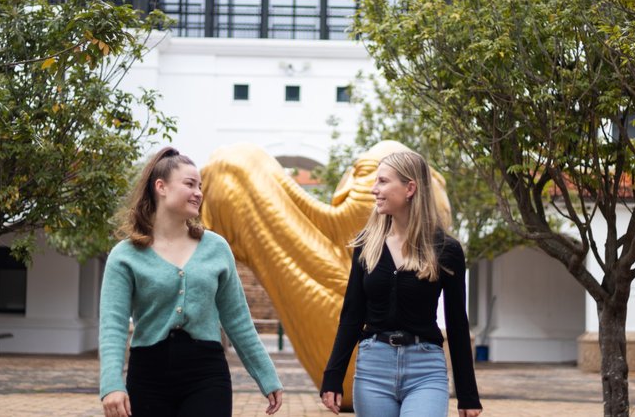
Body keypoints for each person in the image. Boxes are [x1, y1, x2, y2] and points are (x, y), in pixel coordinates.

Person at [99, 147, 284, 417]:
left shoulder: (216, 248)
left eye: (200, 186)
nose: (198, 192)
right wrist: (111, 385)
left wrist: (267, 376)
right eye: (189, 184)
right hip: (148, 376)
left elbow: (238, 320)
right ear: (160, 187)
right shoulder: (125, 255)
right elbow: (112, 326)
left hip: (206, 375)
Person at [320, 150, 482, 417]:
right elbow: (351, 314)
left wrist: (468, 394)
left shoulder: (446, 250)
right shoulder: (366, 244)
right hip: (373, 370)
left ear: (410, 188)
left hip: (425, 371)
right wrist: (333, 376)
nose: (374, 190)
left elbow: (457, 323)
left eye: (383, 181)